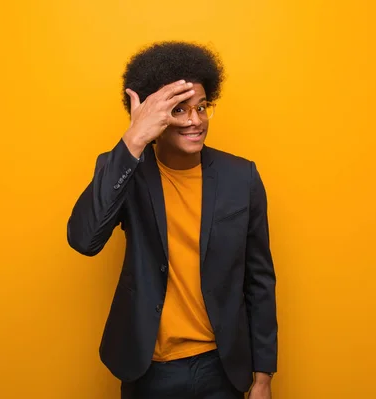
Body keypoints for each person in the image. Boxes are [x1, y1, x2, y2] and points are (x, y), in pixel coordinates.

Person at [67, 41, 278, 399]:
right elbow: (85, 239)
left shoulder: (241, 177)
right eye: (178, 110)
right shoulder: (124, 169)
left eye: (201, 107)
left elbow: (259, 280)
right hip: (149, 368)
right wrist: (133, 140)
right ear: (154, 115)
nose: (195, 120)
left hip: (223, 366)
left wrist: (263, 377)